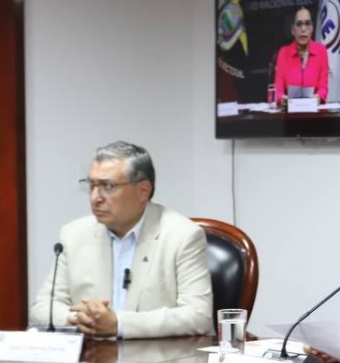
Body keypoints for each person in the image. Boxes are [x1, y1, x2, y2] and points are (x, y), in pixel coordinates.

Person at [29, 141, 213, 338]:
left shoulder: (182, 235)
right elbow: (42, 308)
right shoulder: (74, 234)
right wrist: (78, 318)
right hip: (92, 354)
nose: (95, 197)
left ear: (143, 191)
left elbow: (198, 316)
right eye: (92, 185)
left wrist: (119, 324)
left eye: (107, 186)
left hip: (154, 356)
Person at [273, 6, 329, 105]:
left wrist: (317, 97)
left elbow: (323, 88)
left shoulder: (321, 51)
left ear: (312, 28)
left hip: (314, 110)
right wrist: (282, 99)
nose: (303, 29)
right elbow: (278, 91)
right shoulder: (283, 53)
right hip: (290, 110)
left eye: (307, 24)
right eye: (299, 24)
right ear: (293, 30)